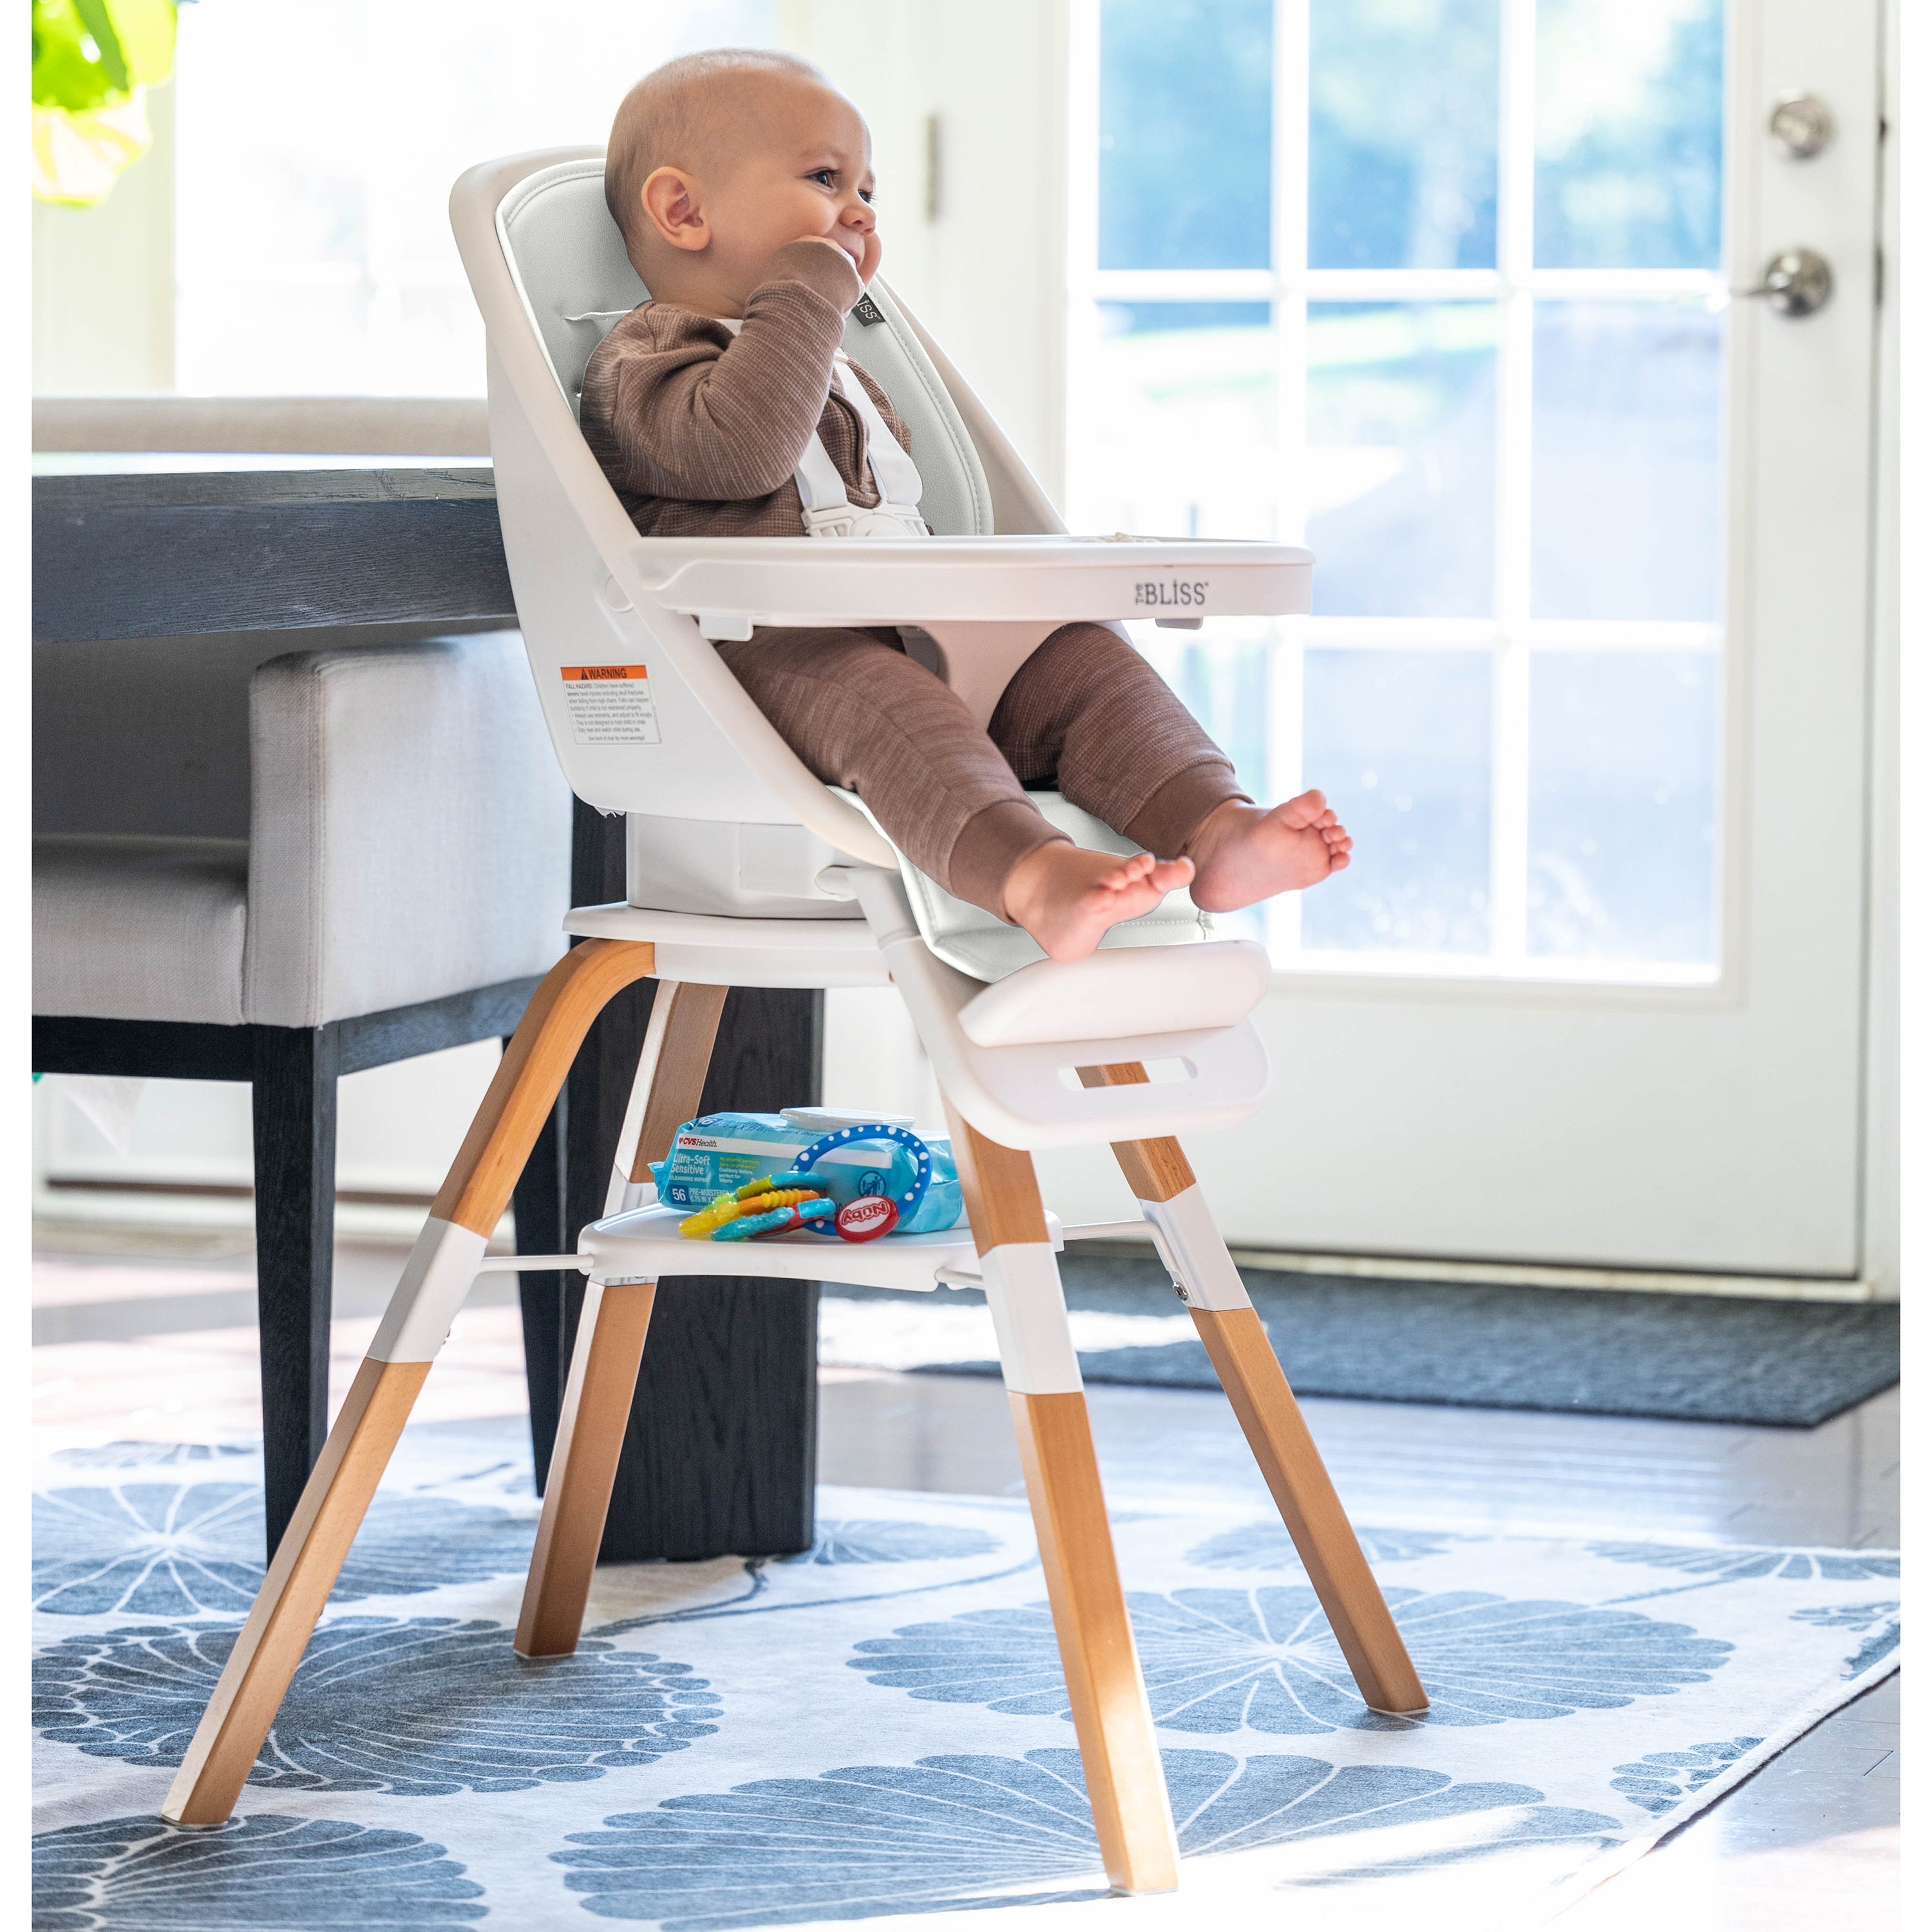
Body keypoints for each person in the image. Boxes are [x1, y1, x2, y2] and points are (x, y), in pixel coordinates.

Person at [582, 48, 1350, 961]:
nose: (861, 213)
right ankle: (1033, 875)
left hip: (913, 640)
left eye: (869, 190)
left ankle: (1215, 830)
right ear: (684, 211)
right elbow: (743, 450)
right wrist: (808, 288)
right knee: (893, 706)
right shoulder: (643, 365)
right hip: (773, 665)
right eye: (827, 180)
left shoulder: (840, 370)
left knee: (1084, 662)